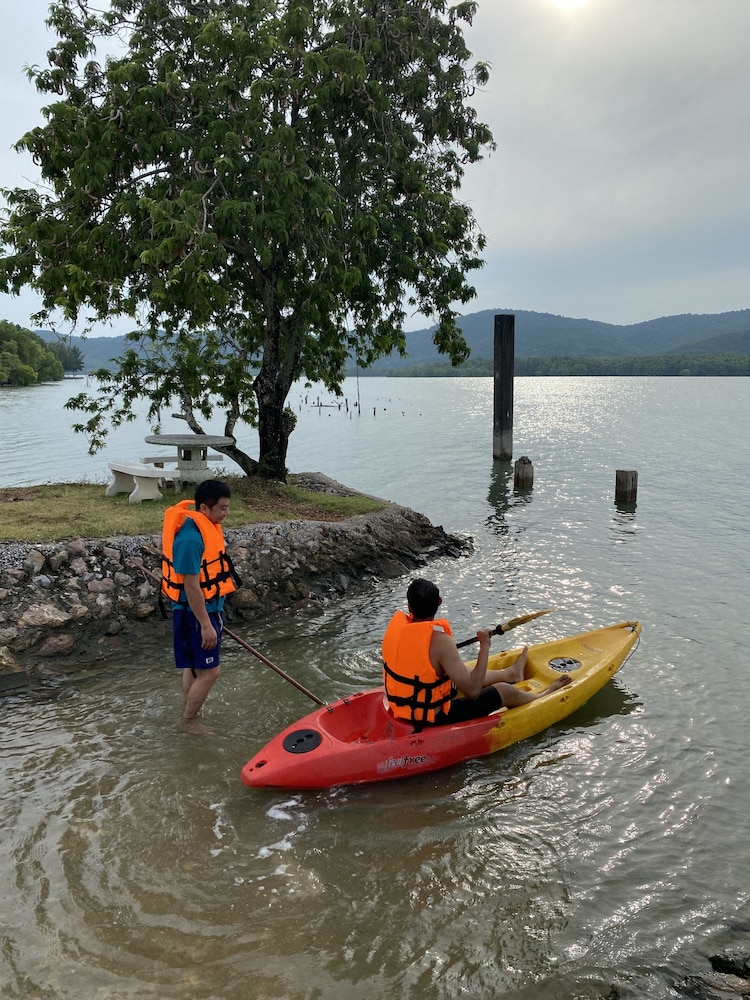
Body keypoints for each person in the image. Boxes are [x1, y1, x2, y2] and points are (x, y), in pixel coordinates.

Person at [382, 578, 571, 728]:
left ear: (409, 606)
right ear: (439, 602)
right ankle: (543, 695)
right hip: (433, 718)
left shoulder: (397, 632)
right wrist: (485, 646)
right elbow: (472, 692)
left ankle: (511, 674)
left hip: (402, 708)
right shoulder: (440, 641)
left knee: (462, 670)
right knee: (503, 690)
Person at [161, 479, 240, 724]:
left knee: (195, 668)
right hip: (194, 614)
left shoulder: (204, 528)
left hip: (206, 609)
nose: (226, 513)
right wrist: (206, 625)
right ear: (204, 508)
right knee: (211, 672)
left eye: (227, 507)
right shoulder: (190, 539)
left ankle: (191, 711)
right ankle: (189, 721)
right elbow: (191, 586)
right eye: (222, 508)